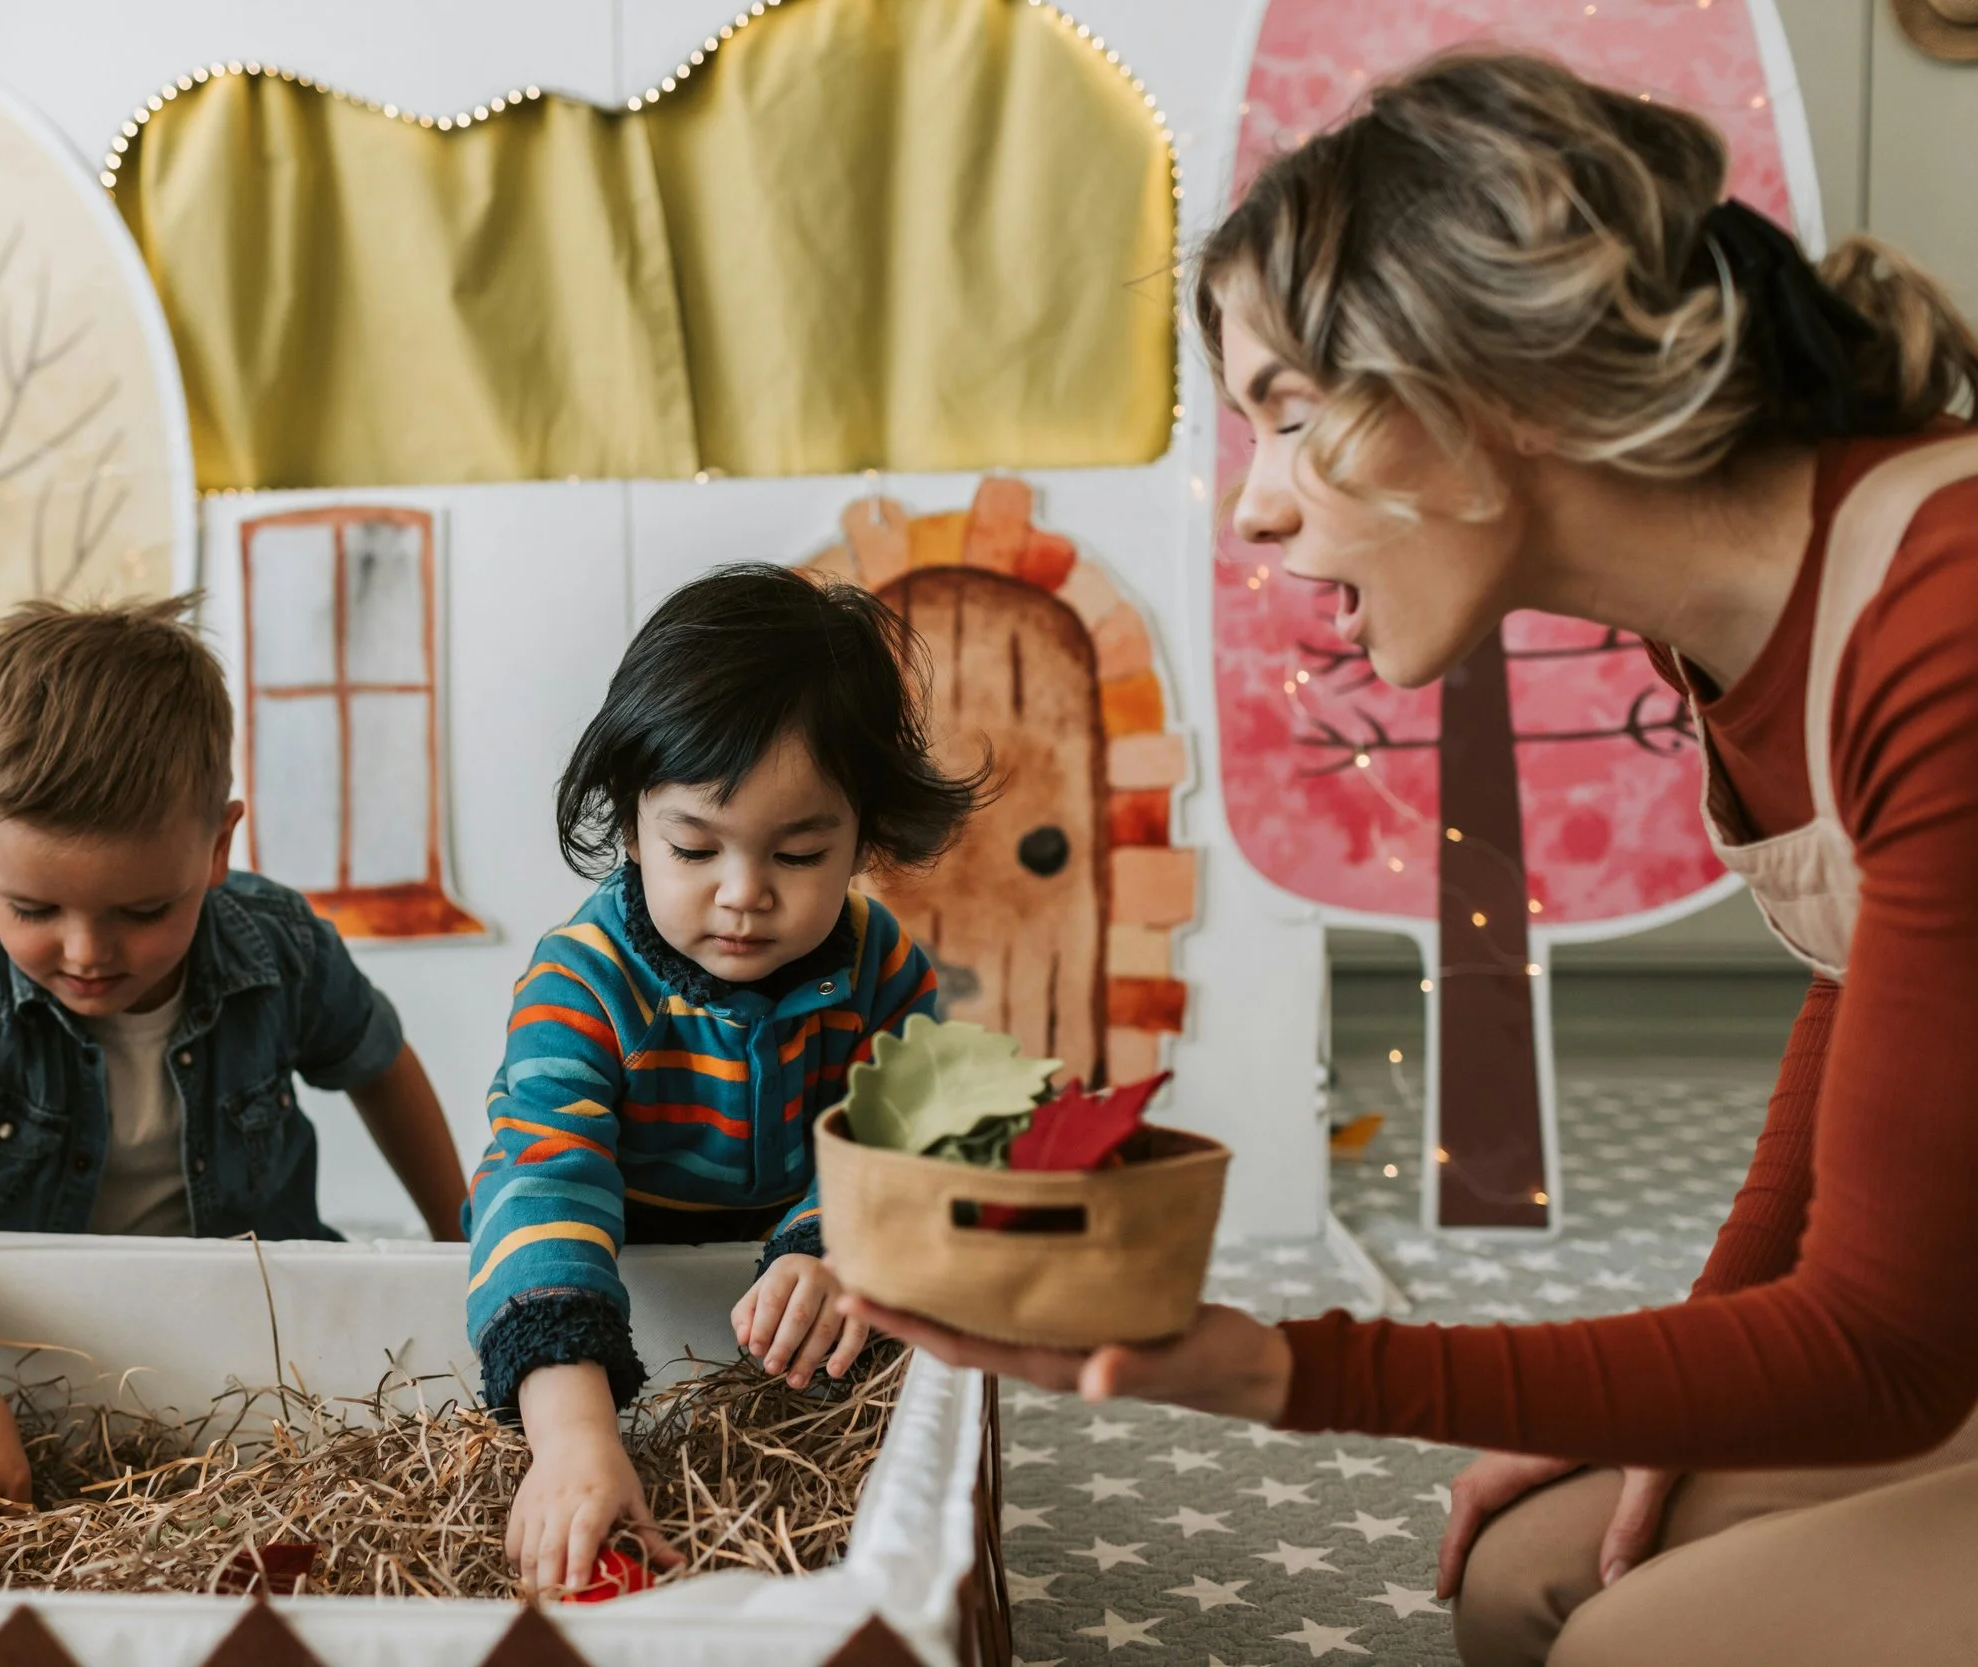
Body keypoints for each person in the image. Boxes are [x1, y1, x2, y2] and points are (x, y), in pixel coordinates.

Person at [844, 50, 1978, 1667]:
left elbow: (1885, 1350)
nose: (1254, 512)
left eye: (1292, 415)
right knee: (1524, 1569)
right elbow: (1864, 989)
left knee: (1630, 1644)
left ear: (1487, 381)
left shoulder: (1943, 614)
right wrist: (1691, 1378)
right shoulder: (1737, 629)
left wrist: (1278, 1367)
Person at [0, 596, 469, 1511]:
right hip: (17, 1365)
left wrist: (461, 1246)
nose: (89, 952)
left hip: (244, 1358)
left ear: (218, 844)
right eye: (32, 909)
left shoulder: (278, 944)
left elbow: (379, 1064)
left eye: (144, 911)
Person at [471, 563, 984, 1597]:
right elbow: (542, 1187)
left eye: (799, 852)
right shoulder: (580, 984)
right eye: (694, 846)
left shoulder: (878, 963)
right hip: (621, 1308)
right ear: (628, 821)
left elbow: (924, 1136)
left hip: (799, 1347)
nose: (744, 894)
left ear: (860, 838)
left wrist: (838, 1240)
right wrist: (573, 1436)